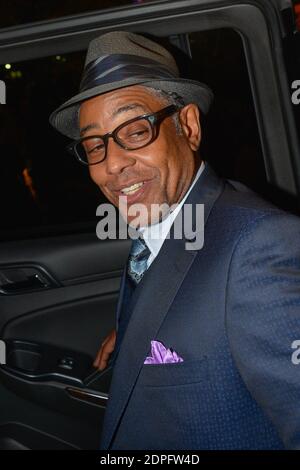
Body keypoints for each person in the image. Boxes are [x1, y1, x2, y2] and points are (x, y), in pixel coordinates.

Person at [50, 31, 300, 450]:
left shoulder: (260, 248)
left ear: (188, 125)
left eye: (135, 130)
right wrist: (136, 332)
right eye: (95, 145)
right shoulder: (163, 224)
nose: (112, 164)